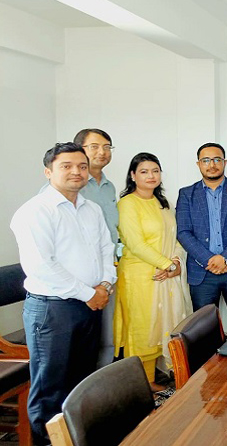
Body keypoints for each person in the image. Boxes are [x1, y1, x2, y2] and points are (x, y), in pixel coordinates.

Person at [11, 142, 115, 445]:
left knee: (81, 382)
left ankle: (76, 439)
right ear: (48, 172)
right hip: (52, 310)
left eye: (82, 166)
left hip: (90, 306)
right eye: (66, 166)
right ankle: (46, 441)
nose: (76, 172)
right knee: (50, 388)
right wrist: (89, 293)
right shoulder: (34, 211)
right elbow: (42, 266)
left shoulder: (91, 208)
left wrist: (105, 285)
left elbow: (106, 250)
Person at [116, 152, 191, 391]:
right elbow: (135, 243)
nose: (151, 176)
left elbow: (176, 238)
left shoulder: (163, 203)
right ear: (132, 175)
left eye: (155, 171)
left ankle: (161, 378)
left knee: (164, 326)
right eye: (144, 171)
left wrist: (176, 263)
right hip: (141, 277)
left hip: (166, 275)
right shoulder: (127, 204)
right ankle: (142, 386)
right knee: (142, 329)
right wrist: (168, 265)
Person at [177, 143, 227, 332]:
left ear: (224, 162)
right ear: (198, 164)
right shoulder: (187, 194)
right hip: (202, 272)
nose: (211, 165)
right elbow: (183, 232)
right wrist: (209, 260)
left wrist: (225, 258)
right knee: (204, 331)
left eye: (216, 159)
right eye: (206, 160)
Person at [74, 128, 120, 368]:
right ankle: (82, 387)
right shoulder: (73, 185)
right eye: (94, 147)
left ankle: (103, 382)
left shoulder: (109, 186)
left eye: (106, 147)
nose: (102, 152)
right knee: (84, 337)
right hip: (81, 275)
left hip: (108, 270)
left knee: (107, 333)